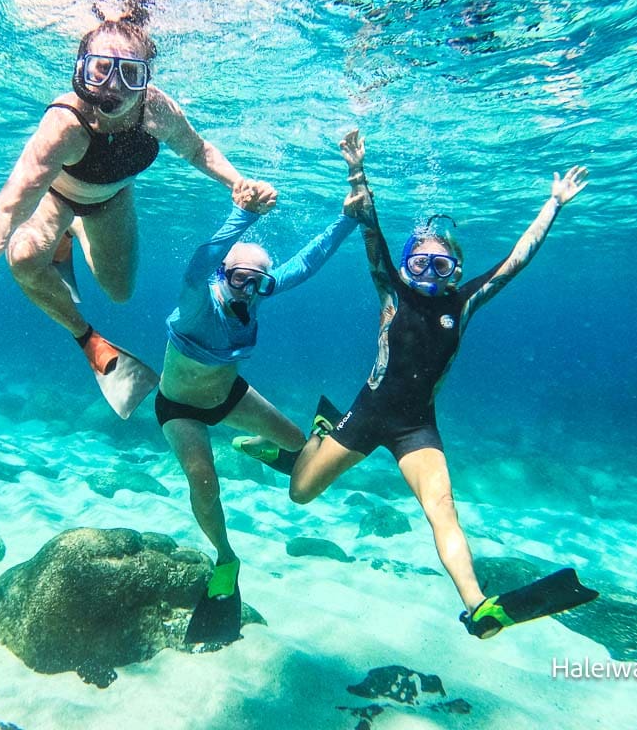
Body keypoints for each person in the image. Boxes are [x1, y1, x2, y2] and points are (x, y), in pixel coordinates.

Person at [236, 129, 592, 637]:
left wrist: (552, 205)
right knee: (300, 494)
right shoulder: (391, 291)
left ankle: (479, 606)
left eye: (439, 265)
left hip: (416, 427)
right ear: (405, 265)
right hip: (367, 413)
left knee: (442, 509)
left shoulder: (463, 302)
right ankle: (317, 435)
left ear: (456, 270)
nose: (427, 273)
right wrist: (356, 167)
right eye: (419, 262)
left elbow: (516, 261)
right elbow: (370, 230)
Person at [0, 17, 277, 418]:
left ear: (146, 79)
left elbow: (198, 150)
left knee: (119, 292)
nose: (114, 86)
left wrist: (237, 182)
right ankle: (86, 337)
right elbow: (9, 205)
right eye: (101, 69)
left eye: (130, 73)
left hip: (112, 199)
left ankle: (73, 233)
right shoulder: (65, 126)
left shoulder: (156, 110)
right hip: (55, 197)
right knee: (22, 258)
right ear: (80, 69)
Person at [160, 179, 367, 642]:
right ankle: (226, 557)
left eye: (259, 282)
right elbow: (197, 267)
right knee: (204, 481)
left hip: (230, 397)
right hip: (179, 408)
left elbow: (306, 263)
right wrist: (244, 215)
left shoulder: (257, 294)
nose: (250, 290)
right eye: (240, 278)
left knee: (303, 446)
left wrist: (348, 219)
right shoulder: (200, 301)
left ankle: (265, 450)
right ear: (223, 274)